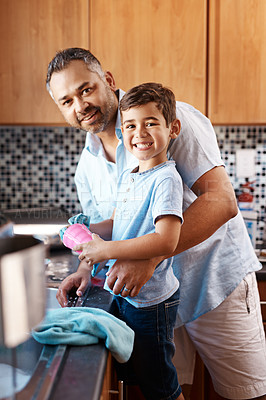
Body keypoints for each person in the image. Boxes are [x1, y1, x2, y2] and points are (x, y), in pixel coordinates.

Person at [46, 48, 266, 400]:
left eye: (85, 89)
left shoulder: (163, 121)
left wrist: (147, 259)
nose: (80, 105)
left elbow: (220, 201)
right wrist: (87, 268)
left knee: (246, 394)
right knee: (170, 391)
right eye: (66, 100)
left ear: (108, 80)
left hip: (214, 282)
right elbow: (116, 227)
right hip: (154, 303)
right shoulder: (85, 168)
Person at [70, 82, 184, 400]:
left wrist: (105, 249)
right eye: (131, 125)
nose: (140, 133)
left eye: (151, 123)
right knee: (136, 379)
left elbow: (166, 240)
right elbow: (120, 224)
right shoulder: (130, 174)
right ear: (121, 132)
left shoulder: (165, 179)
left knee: (159, 385)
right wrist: (90, 228)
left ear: (172, 128)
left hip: (151, 304)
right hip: (125, 294)